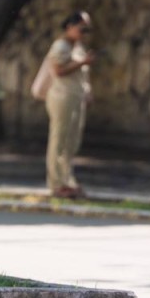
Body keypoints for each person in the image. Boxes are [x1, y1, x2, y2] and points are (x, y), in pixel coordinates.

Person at [43, 11, 95, 198]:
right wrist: (82, 62)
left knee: (72, 142)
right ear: (69, 27)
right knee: (59, 140)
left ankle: (67, 180)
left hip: (76, 97)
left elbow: (82, 74)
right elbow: (58, 70)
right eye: (82, 28)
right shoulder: (61, 46)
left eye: (87, 30)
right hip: (61, 97)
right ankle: (56, 183)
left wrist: (88, 92)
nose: (84, 33)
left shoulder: (77, 46)